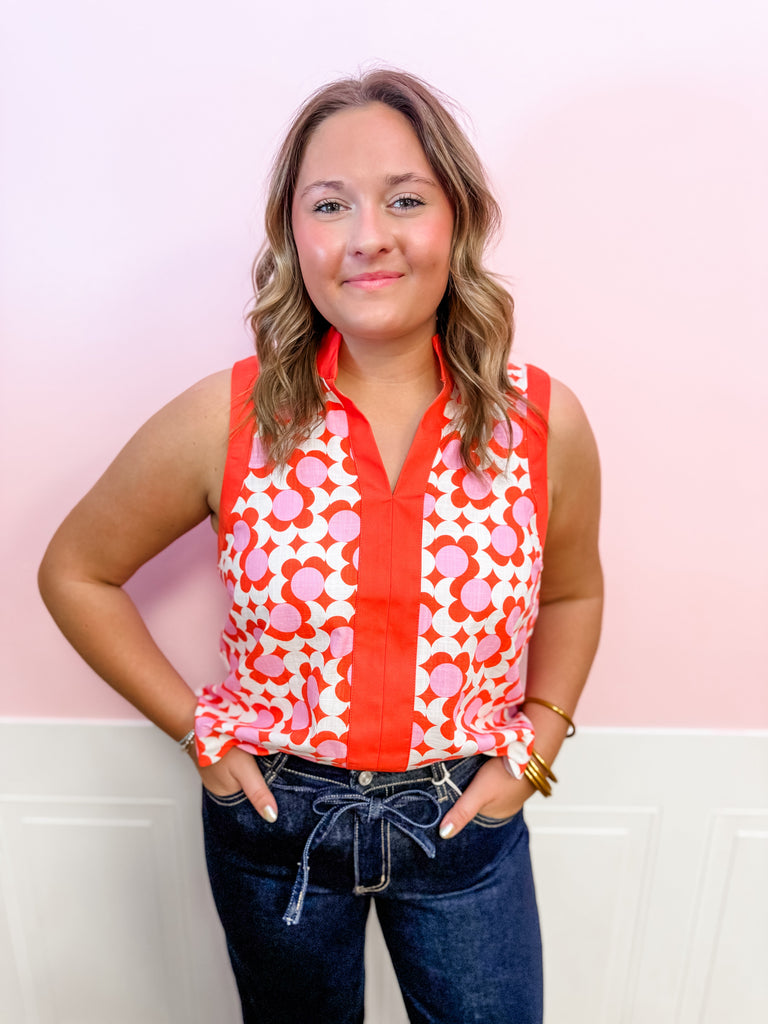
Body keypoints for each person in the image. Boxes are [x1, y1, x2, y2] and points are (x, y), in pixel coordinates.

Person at [38, 69, 602, 1024]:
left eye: (405, 199)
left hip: (465, 823)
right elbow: (76, 571)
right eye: (330, 204)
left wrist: (535, 752)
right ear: (293, 235)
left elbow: (574, 594)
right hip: (274, 824)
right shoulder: (228, 417)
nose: (367, 236)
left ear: (458, 218)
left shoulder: (542, 422)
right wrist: (197, 731)